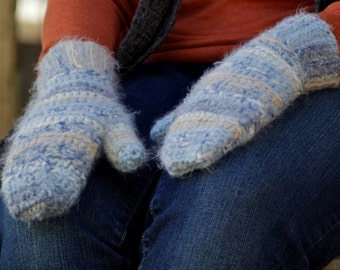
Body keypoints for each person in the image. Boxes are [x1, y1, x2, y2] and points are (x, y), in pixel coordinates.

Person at [0, 0, 339, 269]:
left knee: (220, 220)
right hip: (155, 63)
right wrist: (73, 74)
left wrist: (301, 50)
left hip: (324, 70)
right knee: (44, 225)